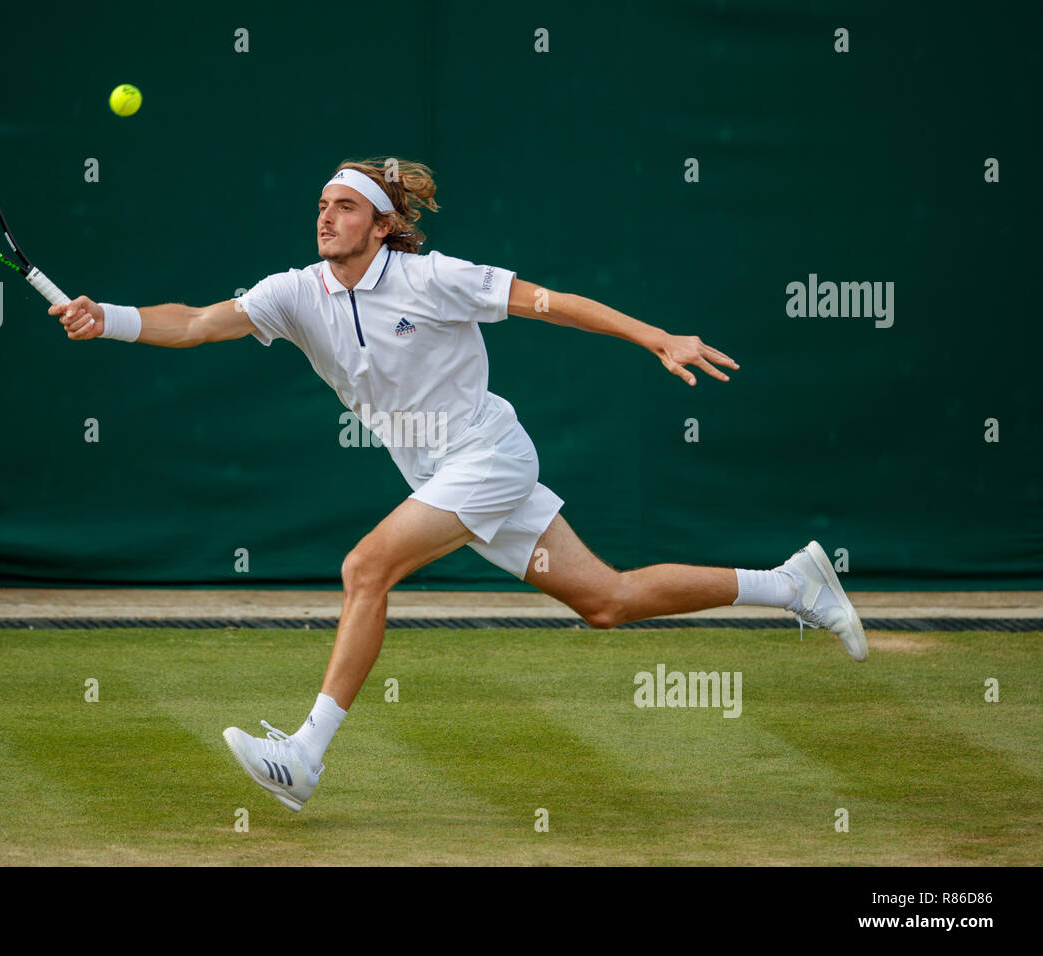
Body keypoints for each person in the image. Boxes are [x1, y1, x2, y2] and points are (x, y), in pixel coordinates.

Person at [49, 158, 867, 813]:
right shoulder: (294, 293)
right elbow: (194, 322)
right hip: (447, 474)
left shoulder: (434, 278)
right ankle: (792, 583)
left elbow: (554, 304)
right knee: (608, 601)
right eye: (321, 205)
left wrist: (657, 339)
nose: (325, 216)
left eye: (343, 205)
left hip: (489, 457)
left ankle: (303, 755)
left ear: (381, 223)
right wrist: (108, 317)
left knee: (365, 568)